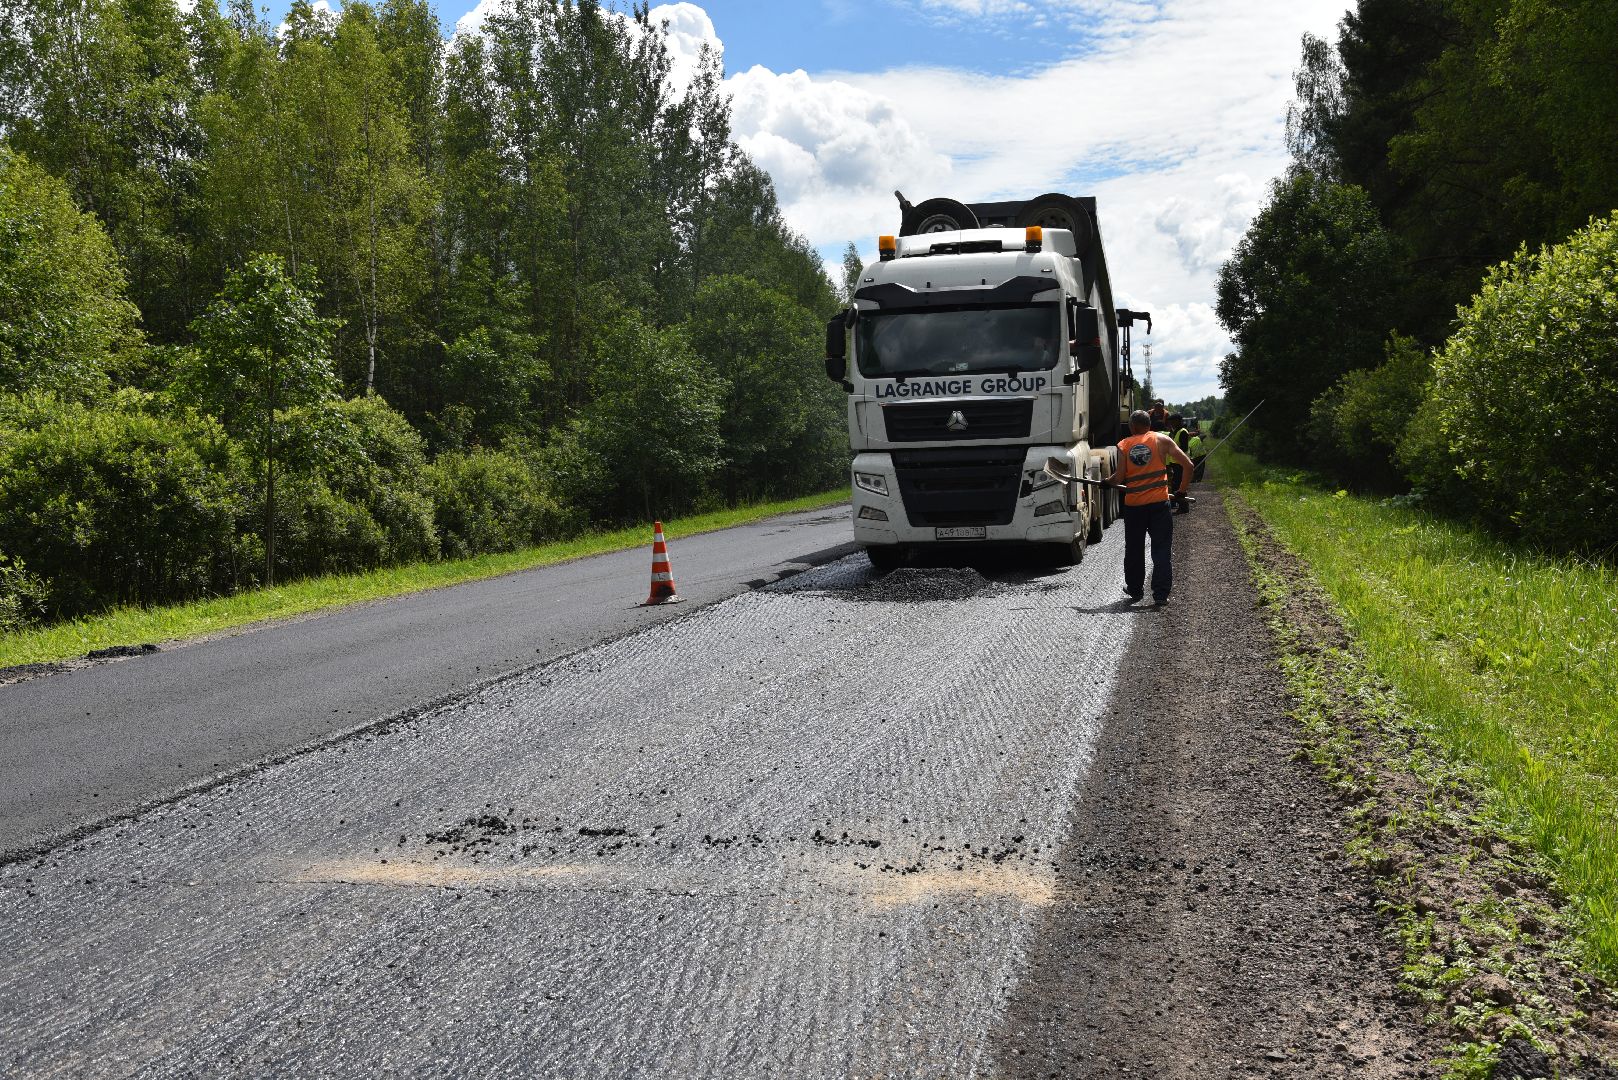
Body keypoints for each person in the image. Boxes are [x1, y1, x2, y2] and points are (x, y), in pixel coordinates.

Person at [1115, 409, 1194, 608]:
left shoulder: (1124, 445)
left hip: (1134, 507)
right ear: (1149, 424)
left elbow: (1118, 478)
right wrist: (1181, 491)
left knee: (1134, 549)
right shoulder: (1162, 440)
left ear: (1132, 427)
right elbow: (1189, 466)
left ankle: (1135, 590)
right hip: (1160, 504)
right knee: (1161, 549)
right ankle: (1160, 594)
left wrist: (1106, 482)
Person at [1168, 412, 1191, 513]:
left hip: (1180, 463)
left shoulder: (1183, 432)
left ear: (1179, 421)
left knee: (1180, 485)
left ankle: (1183, 507)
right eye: (1170, 421)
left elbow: (1184, 448)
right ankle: (1179, 505)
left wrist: (1173, 451)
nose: (1171, 423)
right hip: (1175, 462)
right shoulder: (1175, 431)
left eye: (1173, 421)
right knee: (1176, 484)